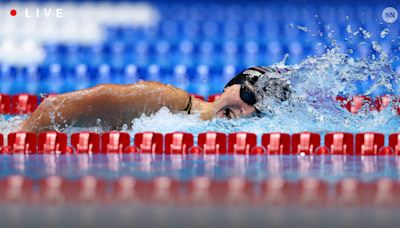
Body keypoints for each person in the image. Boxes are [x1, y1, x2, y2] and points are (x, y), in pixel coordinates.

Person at [20, 66, 289, 133]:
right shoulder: (169, 101)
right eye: (248, 94)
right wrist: (21, 139)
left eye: (259, 109)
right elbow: (54, 108)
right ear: (228, 87)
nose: (246, 110)